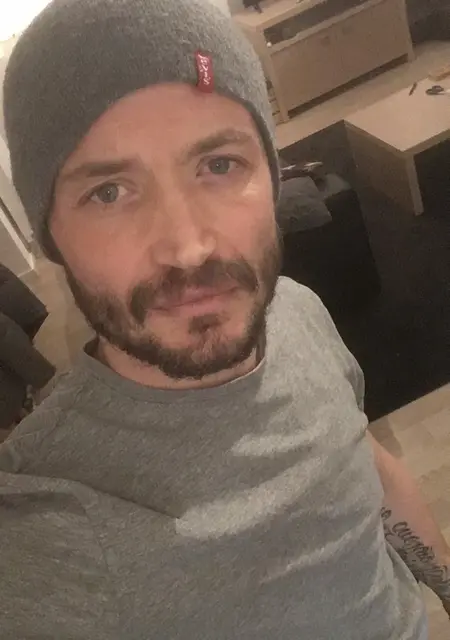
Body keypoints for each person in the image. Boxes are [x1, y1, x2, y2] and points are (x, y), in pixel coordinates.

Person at [0, 1, 448, 638]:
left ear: (272, 175)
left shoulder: (296, 310)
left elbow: (361, 462)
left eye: (219, 165)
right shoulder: (44, 534)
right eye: (108, 192)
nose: (188, 247)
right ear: (52, 237)